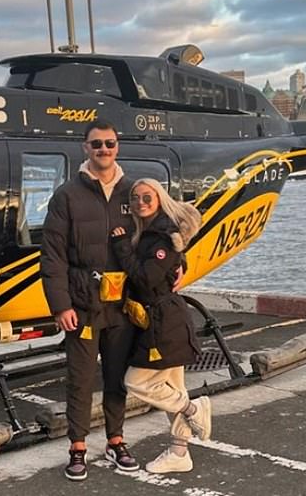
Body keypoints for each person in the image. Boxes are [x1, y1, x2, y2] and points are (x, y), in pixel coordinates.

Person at [41, 119, 139, 481]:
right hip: (82, 304)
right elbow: (52, 256)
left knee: (116, 377)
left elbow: (162, 233)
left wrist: (178, 264)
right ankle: (78, 447)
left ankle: (116, 440)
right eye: (96, 144)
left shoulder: (134, 191)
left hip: (122, 305)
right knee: (80, 378)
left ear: (118, 146)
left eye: (109, 144)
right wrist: (60, 305)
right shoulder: (67, 195)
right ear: (85, 148)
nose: (103, 150)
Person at [110, 178, 212, 474]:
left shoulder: (164, 237)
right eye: (136, 198)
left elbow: (145, 278)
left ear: (160, 199)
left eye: (148, 197)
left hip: (164, 321)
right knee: (173, 386)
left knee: (137, 382)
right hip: (159, 317)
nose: (141, 202)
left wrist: (120, 248)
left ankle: (193, 409)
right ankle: (180, 453)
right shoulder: (150, 233)